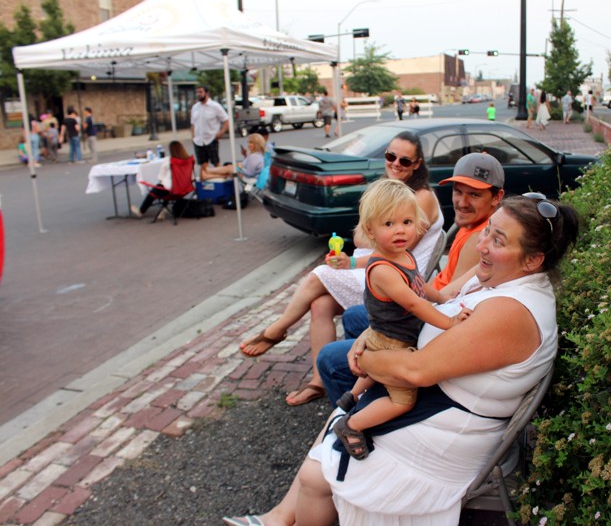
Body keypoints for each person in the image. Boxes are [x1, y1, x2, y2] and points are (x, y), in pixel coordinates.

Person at [223, 192, 580, 526]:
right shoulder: (498, 277)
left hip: (447, 435)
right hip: (437, 400)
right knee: (339, 423)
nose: (482, 246)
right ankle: (279, 518)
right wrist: (373, 334)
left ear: (534, 260)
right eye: (487, 232)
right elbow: (439, 298)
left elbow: (415, 370)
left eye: (498, 241)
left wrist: (366, 359)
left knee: (317, 473)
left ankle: (284, 516)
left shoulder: (511, 312)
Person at [239, 131, 445, 407]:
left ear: (417, 164)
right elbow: (366, 241)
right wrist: (353, 256)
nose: (395, 164)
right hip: (376, 267)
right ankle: (318, 382)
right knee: (320, 305)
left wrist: (355, 254)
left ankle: (277, 329)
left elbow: (390, 251)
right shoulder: (390, 190)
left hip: (394, 280)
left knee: (320, 275)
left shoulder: (419, 197)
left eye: (404, 161)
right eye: (390, 156)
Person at [317, 152, 506, 406]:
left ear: (497, 198)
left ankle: (361, 412)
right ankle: (372, 388)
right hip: (422, 305)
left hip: (426, 320)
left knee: (329, 358)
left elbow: (449, 298)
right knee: (353, 317)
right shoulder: (468, 225)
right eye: (458, 192)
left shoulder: (480, 239)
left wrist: (372, 342)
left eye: (474, 194)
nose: (461, 202)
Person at [331, 179, 470, 460]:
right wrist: (450, 322)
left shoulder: (403, 255)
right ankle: (351, 425)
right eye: (389, 224)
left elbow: (420, 286)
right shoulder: (384, 270)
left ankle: (351, 396)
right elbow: (413, 302)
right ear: (370, 229)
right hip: (391, 343)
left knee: (371, 370)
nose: (400, 230)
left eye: (407, 221)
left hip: (381, 332)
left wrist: (444, 300)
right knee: (403, 401)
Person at [130, 141, 193, 218]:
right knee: (164, 187)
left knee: (157, 189)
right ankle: (163, 209)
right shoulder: (188, 160)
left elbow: (160, 177)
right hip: (185, 189)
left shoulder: (169, 160)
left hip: (172, 190)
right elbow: (192, 177)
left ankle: (141, 211)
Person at [191, 85, 229, 170]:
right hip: (199, 140)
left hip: (211, 138)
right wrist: (193, 137)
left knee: (216, 162)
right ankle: (205, 181)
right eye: (197, 92)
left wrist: (221, 132)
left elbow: (226, 120)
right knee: (202, 164)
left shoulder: (215, 106)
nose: (198, 94)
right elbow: (193, 123)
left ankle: (220, 180)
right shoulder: (195, 107)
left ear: (207, 93)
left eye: (200, 92)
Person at [200, 133, 265, 181]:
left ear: (257, 144)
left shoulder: (254, 156)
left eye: (251, 143)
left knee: (229, 168)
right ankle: (207, 176)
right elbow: (250, 166)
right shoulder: (257, 155)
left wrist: (240, 167)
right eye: (248, 142)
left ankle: (208, 171)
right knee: (229, 174)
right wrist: (245, 157)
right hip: (247, 176)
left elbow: (249, 173)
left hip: (247, 177)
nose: (248, 145)